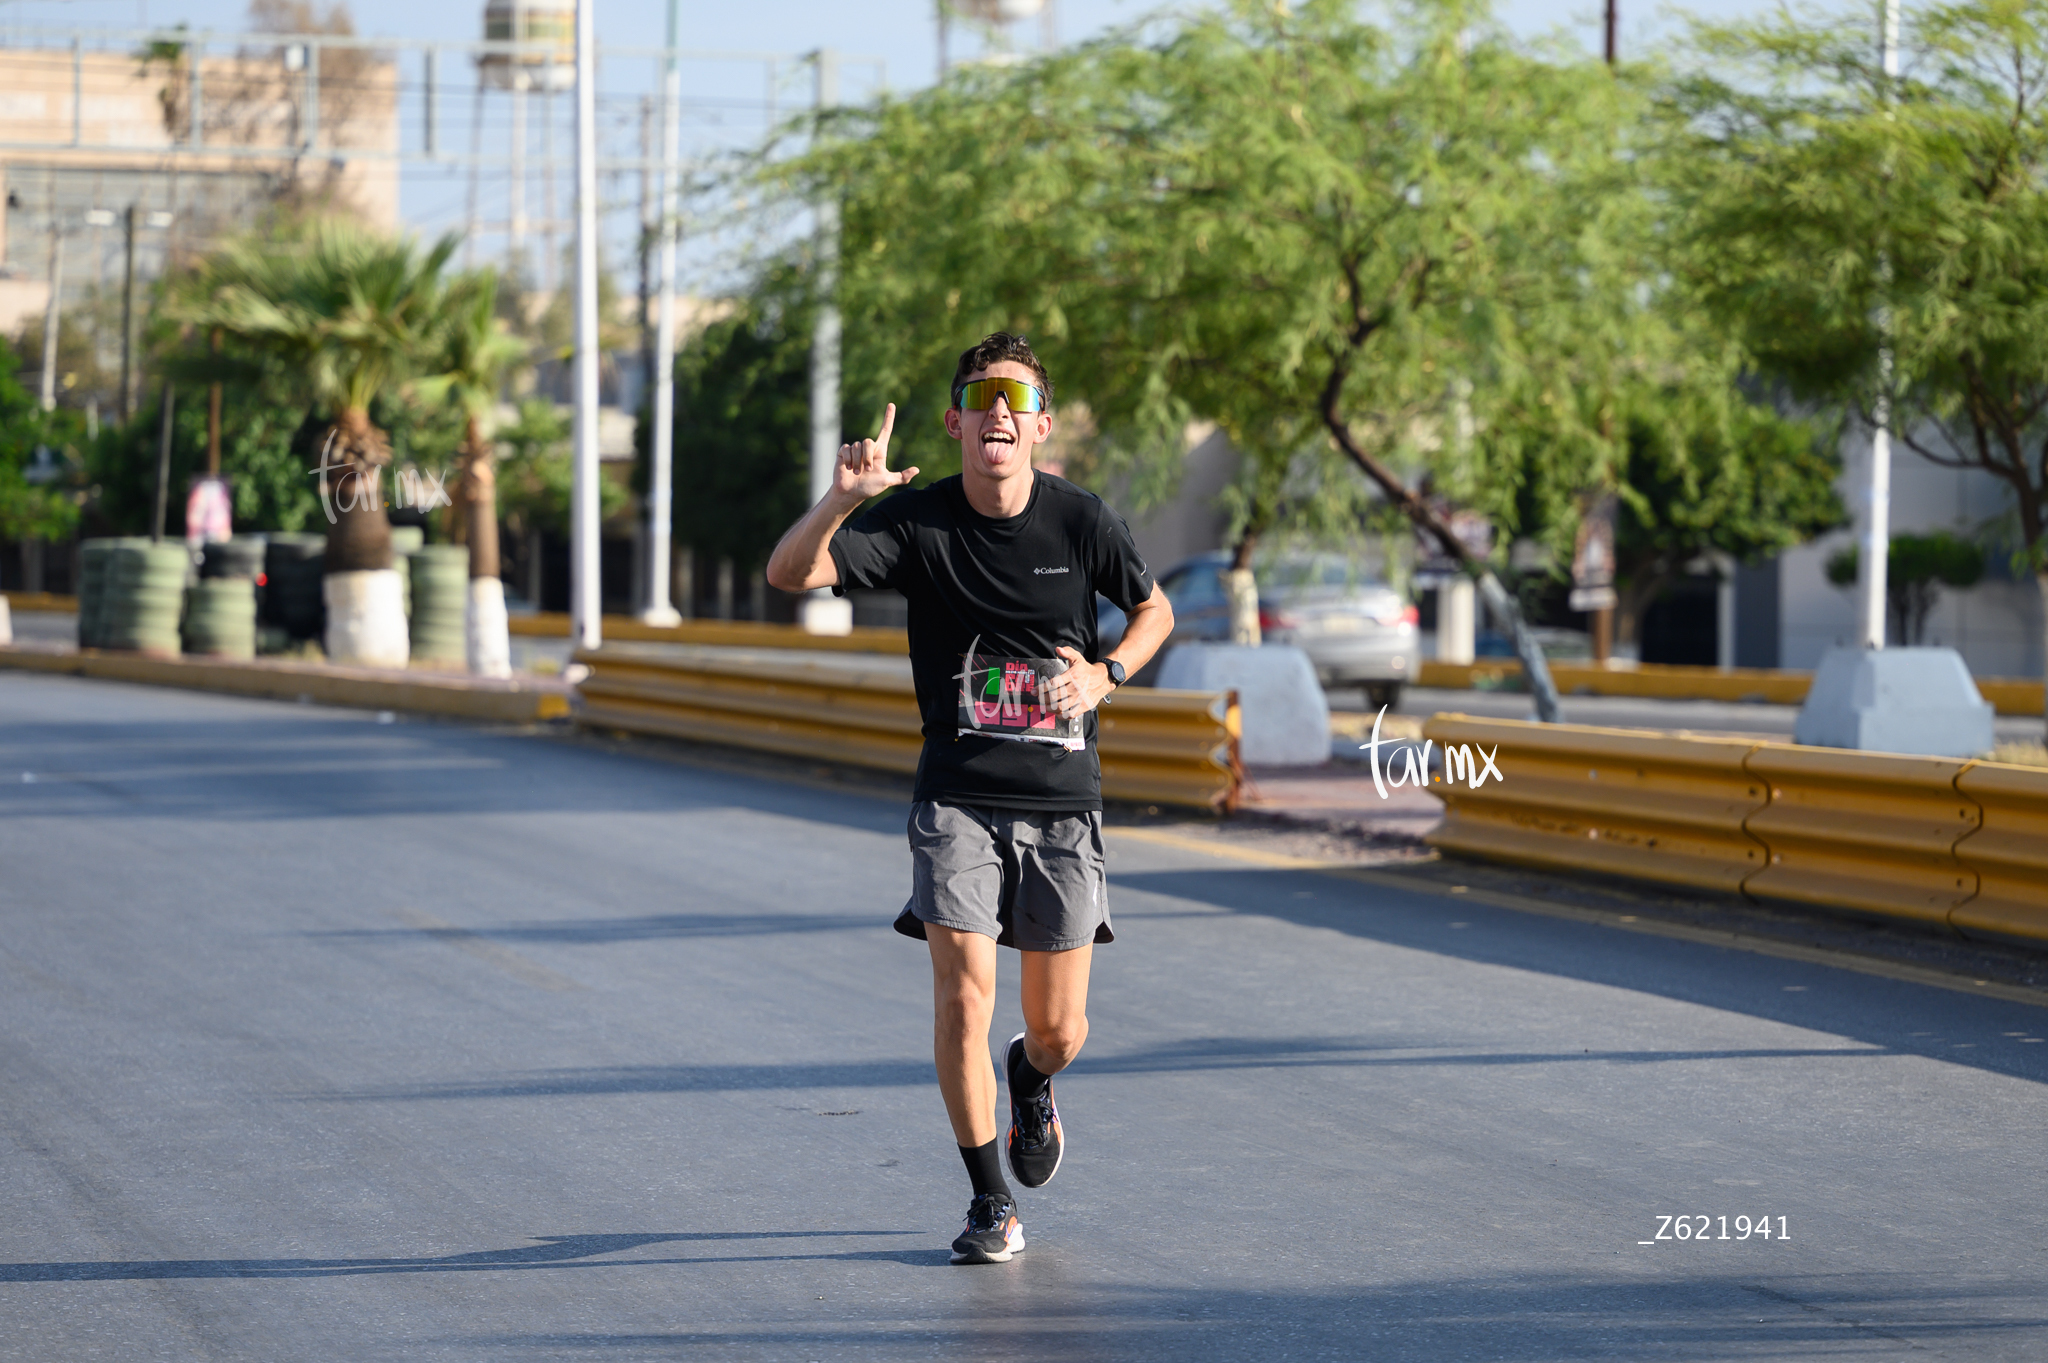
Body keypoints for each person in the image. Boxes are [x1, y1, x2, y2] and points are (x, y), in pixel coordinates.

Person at [766, 333, 1174, 1265]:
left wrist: (1107, 674)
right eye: (979, 395)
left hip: (1063, 800)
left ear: (1037, 424)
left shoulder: (1080, 519)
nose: (997, 410)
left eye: (1015, 397)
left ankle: (1030, 1077)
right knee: (963, 995)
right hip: (955, 797)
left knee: (1061, 1027)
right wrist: (842, 499)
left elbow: (1156, 612)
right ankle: (992, 1200)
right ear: (954, 419)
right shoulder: (916, 521)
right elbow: (789, 575)